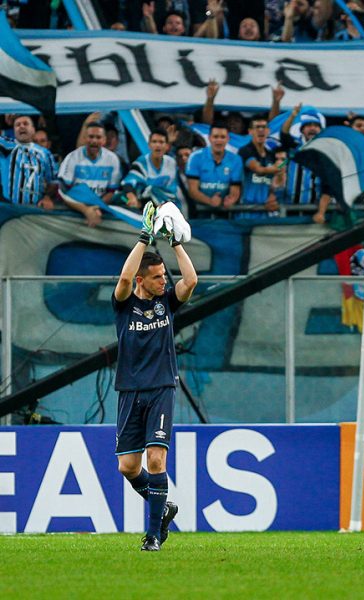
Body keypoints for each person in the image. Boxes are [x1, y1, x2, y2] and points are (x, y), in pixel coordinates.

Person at [113, 202, 198, 551]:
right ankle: (165, 508)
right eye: (158, 277)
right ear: (141, 280)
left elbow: (190, 280)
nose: (165, 281)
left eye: (165, 275)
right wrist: (144, 238)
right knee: (128, 467)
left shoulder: (167, 303)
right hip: (129, 390)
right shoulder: (124, 304)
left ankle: (153, 536)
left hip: (161, 387)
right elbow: (122, 279)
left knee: (155, 459)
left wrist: (176, 241)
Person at [58, 121, 122, 227]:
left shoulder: (113, 159)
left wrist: (96, 207)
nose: (94, 141)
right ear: (84, 138)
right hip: (75, 210)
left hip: (100, 209)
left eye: (98, 137)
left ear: (104, 140)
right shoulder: (72, 157)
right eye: (91, 137)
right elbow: (62, 191)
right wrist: (86, 210)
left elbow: (112, 191)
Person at [280, 104, 332, 223]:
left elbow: (327, 188)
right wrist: (293, 116)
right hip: (288, 210)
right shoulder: (293, 147)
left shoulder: (326, 155)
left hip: (312, 212)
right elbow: (283, 134)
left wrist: (321, 212)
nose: (312, 128)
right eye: (308, 125)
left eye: (316, 126)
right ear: (302, 130)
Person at [185, 121, 243, 217]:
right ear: (209, 138)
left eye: (222, 137)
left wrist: (231, 199)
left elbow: (235, 189)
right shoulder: (195, 157)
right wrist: (210, 201)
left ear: (228, 139)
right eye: (215, 137)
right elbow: (192, 190)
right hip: (198, 214)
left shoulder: (236, 160)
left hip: (224, 214)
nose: (219, 141)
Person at [0, 114, 58, 209]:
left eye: (25, 124)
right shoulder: (6, 146)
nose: (21, 126)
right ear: (14, 131)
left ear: (33, 129)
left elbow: (53, 182)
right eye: (17, 125)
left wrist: (47, 197)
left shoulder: (45, 153)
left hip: (35, 210)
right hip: (9, 208)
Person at [119, 127, 178, 210]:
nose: (157, 145)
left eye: (161, 142)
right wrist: (132, 197)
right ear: (149, 145)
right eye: (154, 142)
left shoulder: (171, 163)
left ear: (167, 146)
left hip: (166, 206)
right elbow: (127, 183)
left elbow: (172, 191)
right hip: (143, 205)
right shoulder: (141, 163)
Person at [237, 115, 283, 218]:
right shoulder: (245, 151)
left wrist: (272, 194)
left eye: (264, 127)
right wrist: (277, 167)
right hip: (245, 210)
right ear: (250, 131)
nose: (261, 130)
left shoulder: (271, 155)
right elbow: (258, 170)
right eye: (257, 127)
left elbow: (280, 172)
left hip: (265, 210)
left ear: (268, 131)